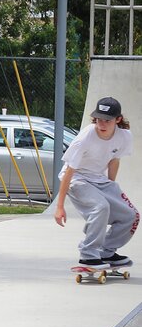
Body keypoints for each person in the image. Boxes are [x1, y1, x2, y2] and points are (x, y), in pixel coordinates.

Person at [54, 96, 138, 267]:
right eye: (99, 119)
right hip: (76, 178)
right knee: (100, 207)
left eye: (107, 120)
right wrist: (60, 206)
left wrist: (111, 188)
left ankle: (106, 252)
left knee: (131, 216)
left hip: (99, 180)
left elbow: (114, 160)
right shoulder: (86, 137)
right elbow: (69, 170)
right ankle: (88, 254)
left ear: (118, 119)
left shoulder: (125, 137)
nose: (102, 124)